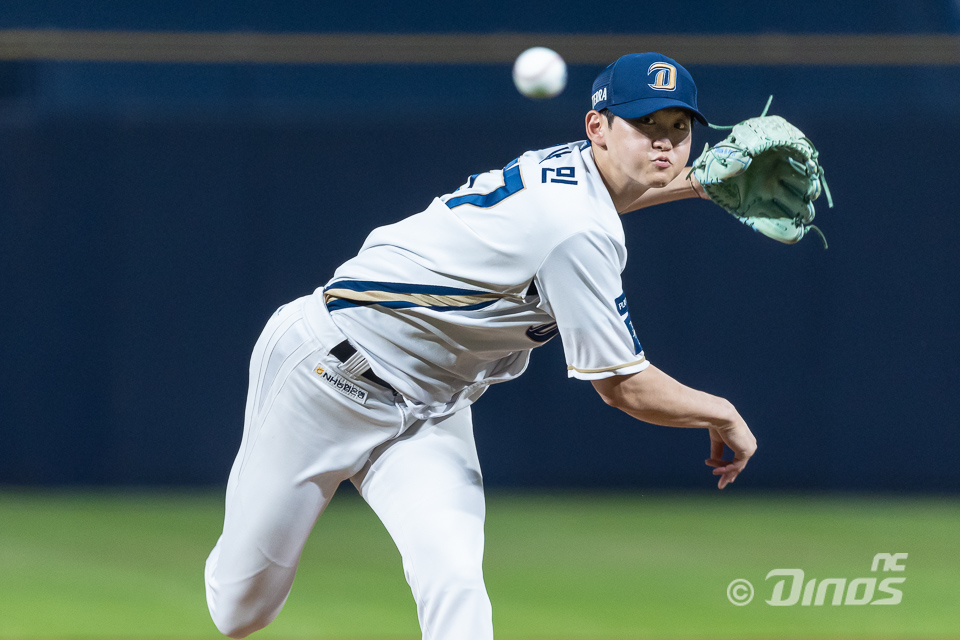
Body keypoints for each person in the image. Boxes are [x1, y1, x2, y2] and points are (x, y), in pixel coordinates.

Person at [204, 52, 757, 640]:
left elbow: (604, 202)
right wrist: (723, 412)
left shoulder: (574, 176)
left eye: (679, 128)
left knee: (455, 582)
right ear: (597, 128)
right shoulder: (577, 231)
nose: (665, 143)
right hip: (325, 376)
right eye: (645, 125)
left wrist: (697, 186)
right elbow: (623, 386)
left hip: (431, 406)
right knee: (240, 613)